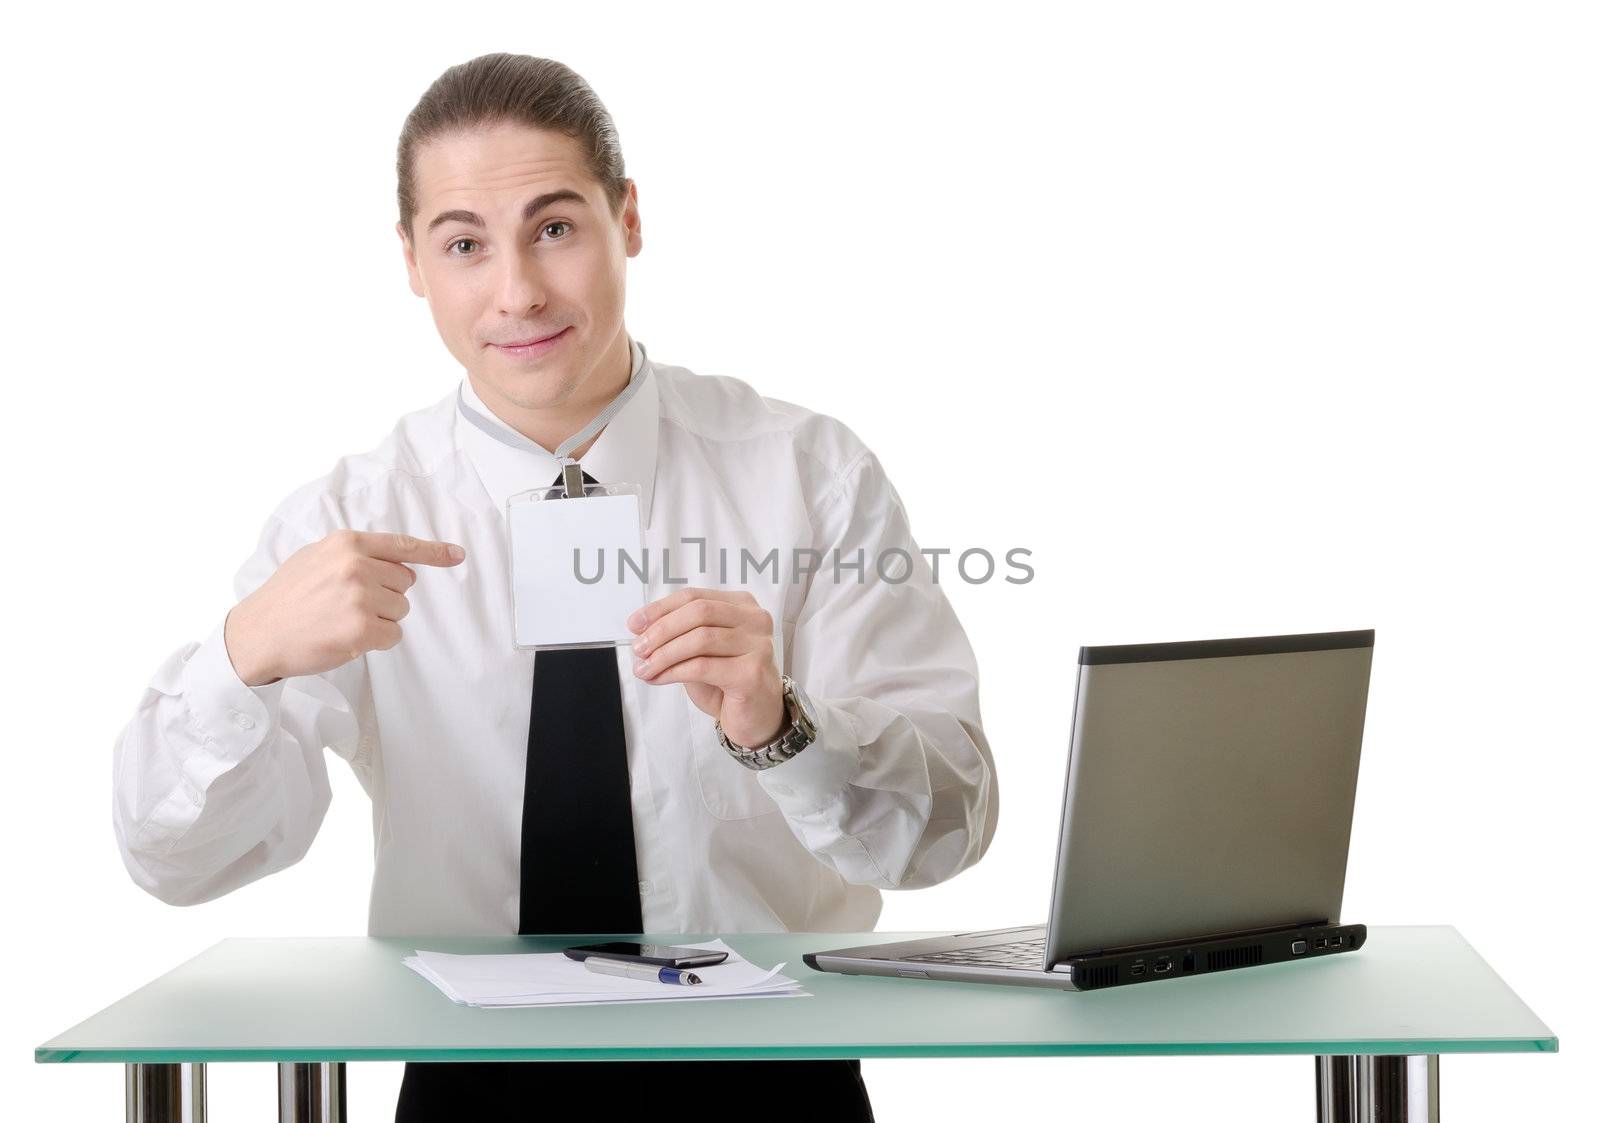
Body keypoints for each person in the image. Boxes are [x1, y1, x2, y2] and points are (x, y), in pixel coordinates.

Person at [111, 52, 997, 1121]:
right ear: (410, 262)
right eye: (464, 244)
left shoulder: (807, 474)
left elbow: (949, 825)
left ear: (627, 218)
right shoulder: (343, 523)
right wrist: (238, 660)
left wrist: (785, 728)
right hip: (468, 1087)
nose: (517, 290)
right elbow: (177, 862)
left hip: (774, 1076)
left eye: (556, 227)